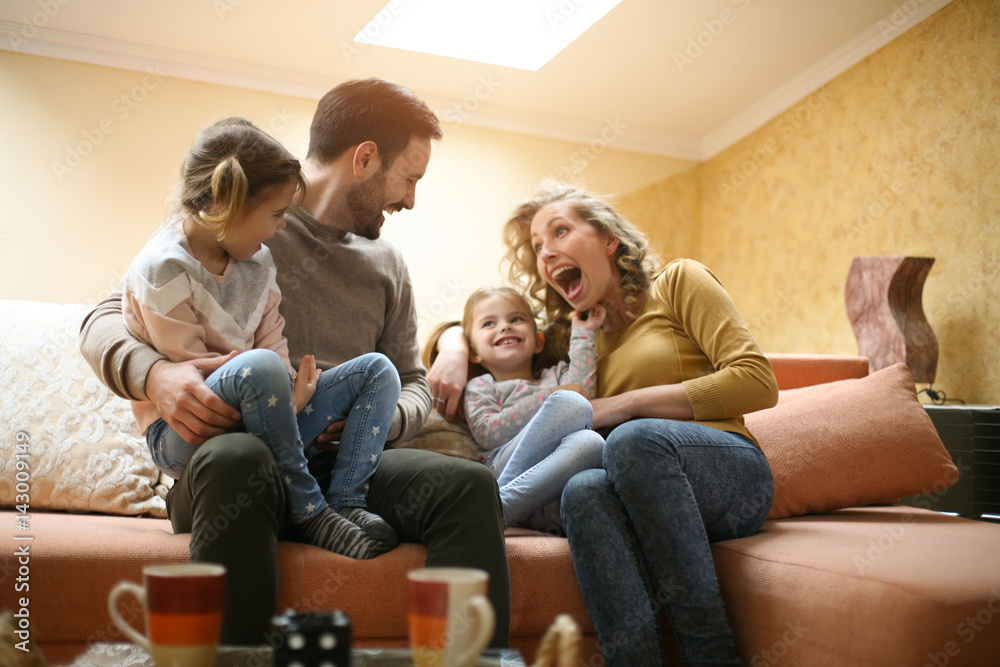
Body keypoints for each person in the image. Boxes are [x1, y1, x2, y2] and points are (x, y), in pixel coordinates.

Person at [79, 78, 511, 647]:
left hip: (341, 464)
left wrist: (375, 420)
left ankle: (472, 661)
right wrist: (156, 376)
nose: (409, 200)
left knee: (469, 485)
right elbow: (102, 320)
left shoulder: (387, 264)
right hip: (234, 461)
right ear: (365, 158)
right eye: (410, 178)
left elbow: (408, 379)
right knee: (241, 457)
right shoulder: (241, 215)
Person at [428, 184, 779, 666]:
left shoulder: (677, 283)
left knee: (632, 439)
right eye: (537, 247)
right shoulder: (577, 334)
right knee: (584, 490)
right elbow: (493, 328)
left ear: (609, 239)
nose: (547, 252)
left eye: (561, 231)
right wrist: (450, 344)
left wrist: (627, 405)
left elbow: (758, 382)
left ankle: (713, 657)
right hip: (636, 487)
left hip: (729, 476)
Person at [123, 117, 399, 559]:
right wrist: (275, 387)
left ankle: (347, 501)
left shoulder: (259, 260)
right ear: (226, 206)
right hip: (186, 433)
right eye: (275, 214)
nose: (283, 226)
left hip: (267, 409)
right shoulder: (163, 271)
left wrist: (288, 392)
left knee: (376, 370)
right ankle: (310, 511)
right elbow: (197, 382)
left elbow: (273, 338)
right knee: (261, 366)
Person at [460, 286, 606, 531]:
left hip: (546, 497)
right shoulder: (482, 385)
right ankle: (496, 503)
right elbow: (488, 432)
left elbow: (585, 394)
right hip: (502, 469)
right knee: (569, 401)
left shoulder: (557, 373)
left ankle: (498, 509)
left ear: (539, 342)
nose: (505, 327)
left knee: (594, 443)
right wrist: (550, 395)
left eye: (516, 319)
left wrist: (583, 334)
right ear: (474, 352)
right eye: (488, 324)